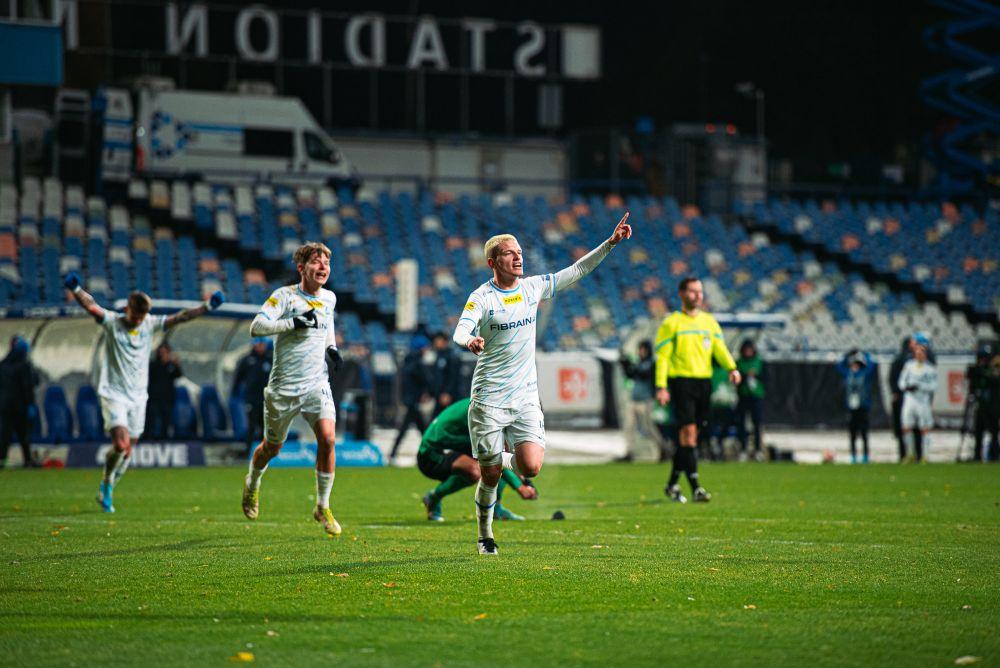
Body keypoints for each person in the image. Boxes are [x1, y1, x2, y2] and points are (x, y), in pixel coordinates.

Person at [453, 211, 632, 555]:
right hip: (489, 399)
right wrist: (469, 340)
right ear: (493, 262)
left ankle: (499, 458)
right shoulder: (482, 297)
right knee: (489, 476)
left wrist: (610, 244)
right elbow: (461, 328)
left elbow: (576, 270)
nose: (518, 257)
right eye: (509, 253)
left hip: (525, 397)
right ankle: (485, 535)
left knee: (531, 467)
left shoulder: (532, 288)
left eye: (519, 252)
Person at [64, 272, 225, 512]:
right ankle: (107, 482)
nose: (139, 320)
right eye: (136, 316)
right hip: (114, 394)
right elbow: (91, 306)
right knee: (121, 445)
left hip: (138, 397)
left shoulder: (149, 324)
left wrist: (207, 306)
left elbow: (181, 317)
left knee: (128, 450)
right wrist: (77, 290)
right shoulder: (112, 322)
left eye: (142, 316)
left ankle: (108, 487)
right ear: (127, 309)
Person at [242, 242, 344, 536]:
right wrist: (293, 323)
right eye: (316, 261)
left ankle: (322, 506)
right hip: (283, 388)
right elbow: (256, 327)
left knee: (328, 439)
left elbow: (327, 324)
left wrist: (332, 348)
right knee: (271, 448)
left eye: (326, 262)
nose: (323, 266)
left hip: (316, 383)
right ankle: (252, 482)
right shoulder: (284, 297)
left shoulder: (329, 298)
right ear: (301, 268)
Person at [655, 276, 741, 503]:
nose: (698, 296)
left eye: (700, 292)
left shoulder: (709, 322)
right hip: (681, 382)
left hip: (704, 383)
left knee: (690, 438)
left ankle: (672, 484)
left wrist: (732, 368)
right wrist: (661, 386)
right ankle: (696, 488)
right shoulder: (672, 323)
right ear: (682, 294)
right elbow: (663, 357)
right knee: (689, 434)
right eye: (693, 291)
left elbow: (719, 348)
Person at [418, 397, 538, 522]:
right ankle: (433, 497)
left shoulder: (492, 406)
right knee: (475, 470)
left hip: (455, 446)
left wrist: (520, 477)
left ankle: (496, 508)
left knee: (498, 454)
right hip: (431, 454)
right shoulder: (485, 414)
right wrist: (520, 487)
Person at [619, 339, 669, 462]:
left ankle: (663, 448)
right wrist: (624, 364)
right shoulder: (639, 363)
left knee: (649, 427)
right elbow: (630, 375)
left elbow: (642, 373)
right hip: (634, 400)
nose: (640, 352)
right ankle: (628, 452)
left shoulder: (652, 363)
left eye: (643, 350)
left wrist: (628, 363)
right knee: (629, 426)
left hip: (646, 401)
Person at [388, 334, 432, 465]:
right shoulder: (417, 363)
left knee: (417, 429)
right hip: (414, 401)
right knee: (419, 430)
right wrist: (426, 392)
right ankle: (431, 454)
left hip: (410, 400)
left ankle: (393, 454)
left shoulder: (407, 362)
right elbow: (426, 380)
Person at [0, 336, 41, 467]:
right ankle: (27, 460)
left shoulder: (3, 364)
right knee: (24, 435)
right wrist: (30, 405)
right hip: (20, 406)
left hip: (5, 407)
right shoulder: (24, 365)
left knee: (5, 435)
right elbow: (29, 386)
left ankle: (2, 459)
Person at [232, 337, 273, 455]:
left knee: (265, 426)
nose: (261, 347)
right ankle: (248, 451)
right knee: (252, 425)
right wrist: (235, 393)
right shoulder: (247, 360)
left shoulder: (270, 360)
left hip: (266, 400)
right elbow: (238, 378)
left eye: (262, 344)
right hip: (251, 399)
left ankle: (266, 451)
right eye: (258, 344)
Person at [898, 343, 937, 463]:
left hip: (923, 400)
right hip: (910, 400)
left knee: (924, 428)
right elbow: (901, 382)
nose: (919, 354)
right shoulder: (909, 366)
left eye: (922, 352)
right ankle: (910, 454)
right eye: (917, 352)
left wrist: (920, 386)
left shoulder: (930, 369)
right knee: (906, 426)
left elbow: (933, 386)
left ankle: (925, 456)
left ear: (925, 354)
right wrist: (907, 387)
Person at [835, 349, 875, 464]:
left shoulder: (864, 374)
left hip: (863, 407)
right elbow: (838, 365)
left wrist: (864, 354)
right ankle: (853, 456)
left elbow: (872, 365)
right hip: (852, 408)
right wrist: (847, 354)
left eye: (856, 365)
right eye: (853, 365)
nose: (854, 367)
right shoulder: (848, 374)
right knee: (852, 434)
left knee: (864, 433)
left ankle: (865, 456)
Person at [967, 345, 1000, 462]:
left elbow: (995, 381)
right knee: (978, 431)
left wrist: (985, 373)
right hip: (980, 406)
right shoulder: (978, 371)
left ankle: (994, 455)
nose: (983, 361)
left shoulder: (994, 370)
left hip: (993, 406)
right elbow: (973, 386)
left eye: (985, 358)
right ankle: (977, 456)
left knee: (994, 432)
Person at [735, 339, 765, 460]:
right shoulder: (739, 362)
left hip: (756, 396)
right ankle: (743, 449)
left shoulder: (759, 362)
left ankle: (758, 449)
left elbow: (766, 377)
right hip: (743, 396)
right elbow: (736, 379)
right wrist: (745, 375)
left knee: (757, 423)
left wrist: (755, 375)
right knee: (742, 423)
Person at [146, 343, 182, 439]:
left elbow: (178, 375)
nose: (163, 354)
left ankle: (164, 439)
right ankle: (149, 439)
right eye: (161, 352)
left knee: (166, 422)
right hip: (154, 399)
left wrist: (176, 365)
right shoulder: (153, 365)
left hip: (168, 399)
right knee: (152, 421)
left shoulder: (171, 366)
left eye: (165, 352)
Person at [888, 337, 911, 462]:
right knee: (908, 426)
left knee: (903, 426)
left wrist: (894, 391)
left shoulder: (898, 359)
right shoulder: (907, 360)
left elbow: (891, 377)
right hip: (906, 396)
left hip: (902, 396)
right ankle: (912, 453)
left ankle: (904, 454)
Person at [430, 330, 462, 417]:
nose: (435, 342)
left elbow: (453, 377)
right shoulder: (438, 355)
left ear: (444, 341)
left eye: (438, 340)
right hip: (439, 395)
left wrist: (447, 393)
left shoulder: (452, 356)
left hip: (448, 396)